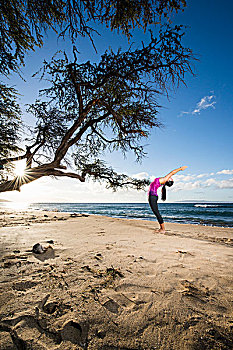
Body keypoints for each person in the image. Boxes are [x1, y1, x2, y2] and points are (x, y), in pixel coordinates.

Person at [148, 166, 188, 233]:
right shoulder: (163, 181)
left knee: (157, 213)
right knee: (156, 213)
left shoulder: (164, 179)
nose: (171, 178)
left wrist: (180, 169)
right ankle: (162, 228)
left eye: (171, 179)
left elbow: (172, 173)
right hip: (153, 196)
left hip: (153, 197)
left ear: (168, 180)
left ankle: (162, 229)